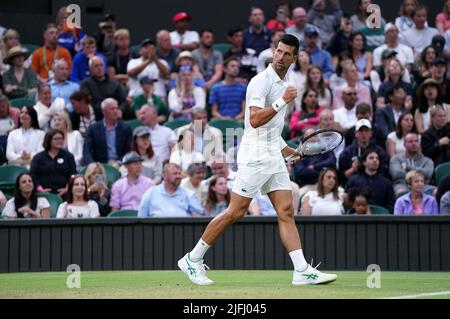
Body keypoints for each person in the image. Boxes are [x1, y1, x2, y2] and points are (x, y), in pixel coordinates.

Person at [177, 34, 337, 286]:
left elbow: (272, 128)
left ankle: (301, 270)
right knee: (236, 211)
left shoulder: (290, 80)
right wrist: (281, 101)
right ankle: (192, 259)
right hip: (254, 155)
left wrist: (286, 149)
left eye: (287, 54)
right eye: (279, 51)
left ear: (295, 57)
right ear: (274, 51)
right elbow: (253, 120)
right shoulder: (260, 82)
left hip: (272, 152)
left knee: (285, 210)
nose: (281, 57)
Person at [138, 163, 204, 217]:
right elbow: (141, 217)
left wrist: (196, 215)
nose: (178, 176)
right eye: (175, 174)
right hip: (155, 231)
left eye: (179, 173)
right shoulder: (151, 193)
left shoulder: (189, 194)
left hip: (183, 231)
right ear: (165, 175)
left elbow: (200, 216)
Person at [82, 98, 132, 166]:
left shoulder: (125, 128)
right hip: (99, 165)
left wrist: (119, 162)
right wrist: (92, 164)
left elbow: (128, 151)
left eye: (116, 108)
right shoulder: (93, 129)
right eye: (112, 109)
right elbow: (86, 151)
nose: (115, 111)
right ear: (103, 111)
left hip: (121, 164)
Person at [30, 128, 77, 196]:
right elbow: (33, 175)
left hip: (63, 193)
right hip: (42, 193)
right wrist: (40, 189)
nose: (60, 141)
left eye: (61, 138)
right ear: (49, 140)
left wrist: (67, 188)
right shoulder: (38, 157)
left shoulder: (68, 156)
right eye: (56, 139)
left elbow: (73, 174)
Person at [293, 127, 336, 197]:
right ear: (302, 142)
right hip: (309, 186)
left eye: (315, 136)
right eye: (309, 136)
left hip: (328, 185)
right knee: (299, 195)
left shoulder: (326, 150)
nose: (313, 138)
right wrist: (323, 171)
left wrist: (314, 167)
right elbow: (301, 172)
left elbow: (332, 162)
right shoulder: (299, 154)